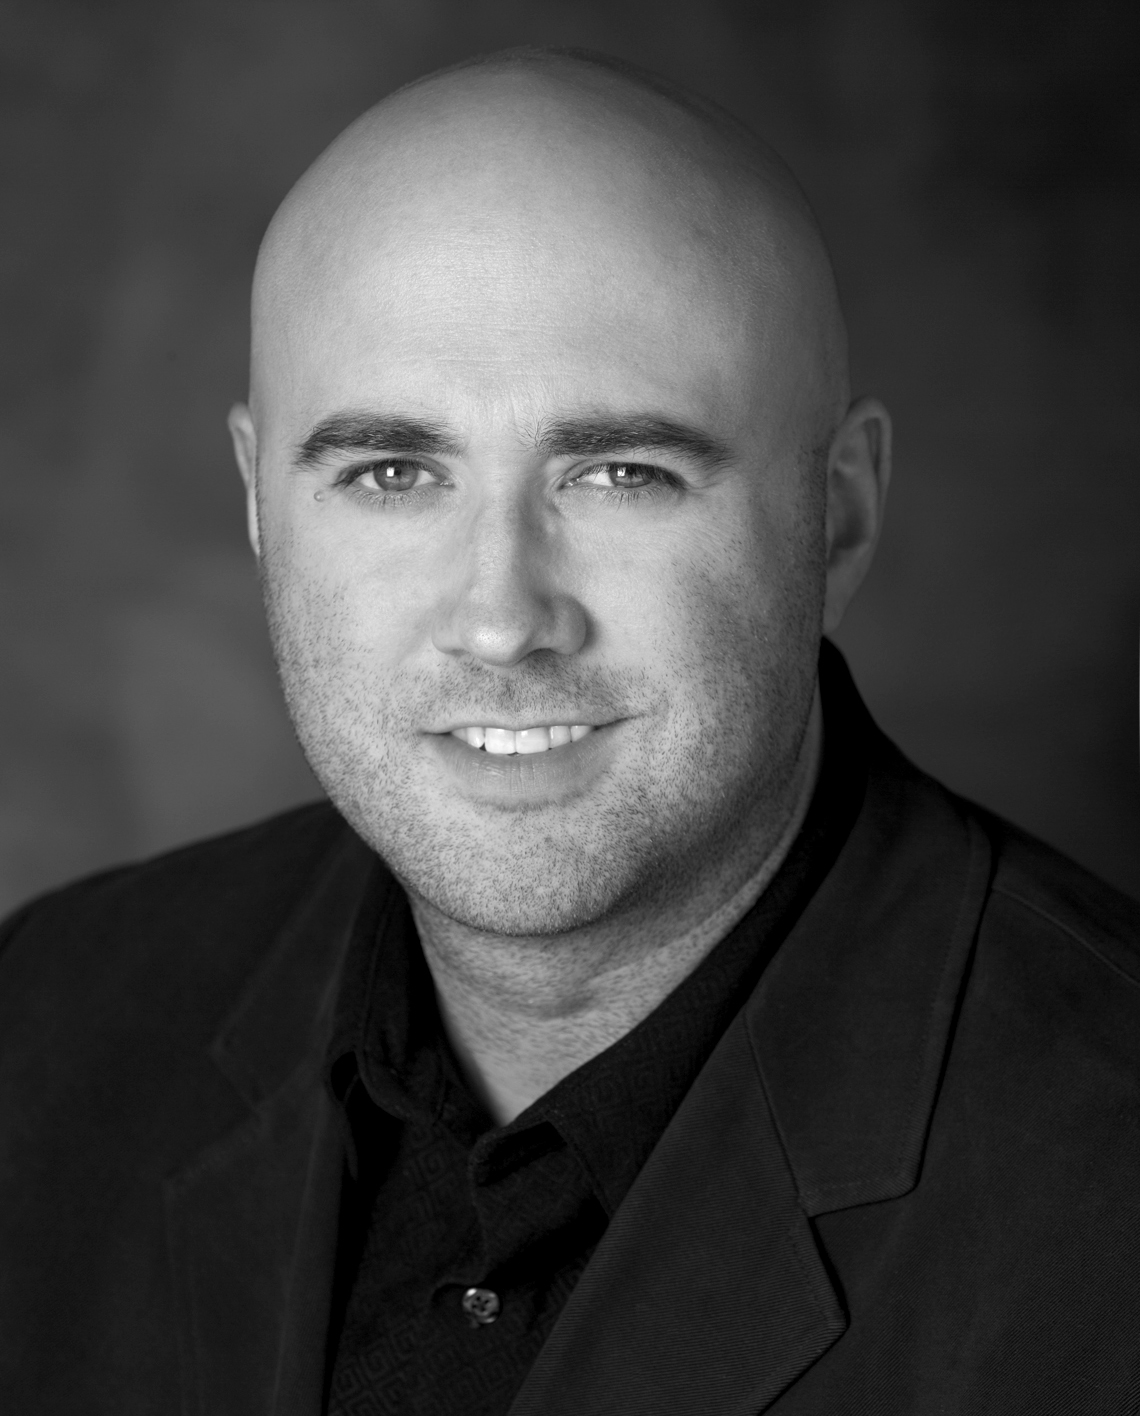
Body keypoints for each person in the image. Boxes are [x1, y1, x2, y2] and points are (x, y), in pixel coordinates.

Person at [1, 46, 1138, 1416]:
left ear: (836, 515)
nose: (501, 620)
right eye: (392, 472)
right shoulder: (48, 1024)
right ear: (258, 505)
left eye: (621, 473)